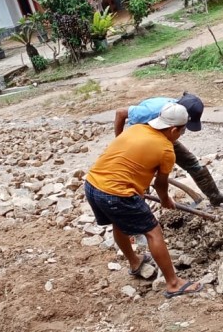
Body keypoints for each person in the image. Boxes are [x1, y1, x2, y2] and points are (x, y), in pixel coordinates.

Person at [86, 103, 204, 298]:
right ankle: (174, 283)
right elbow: (160, 185)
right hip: (116, 193)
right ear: (174, 130)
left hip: (93, 185)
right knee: (153, 232)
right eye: (182, 132)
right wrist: (166, 200)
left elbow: (128, 162)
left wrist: (136, 187)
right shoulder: (166, 149)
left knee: (119, 221)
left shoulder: (138, 128)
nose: (180, 136)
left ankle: (135, 262)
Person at [114, 92, 223, 206]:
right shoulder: (151, 111)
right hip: (140, 140)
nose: (183, 131)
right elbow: (120, 113)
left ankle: (215, 196)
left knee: (191, 162)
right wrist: (119, 142)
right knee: (142, 176)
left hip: (163, 135)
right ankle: (140, 210)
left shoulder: (175, 115)